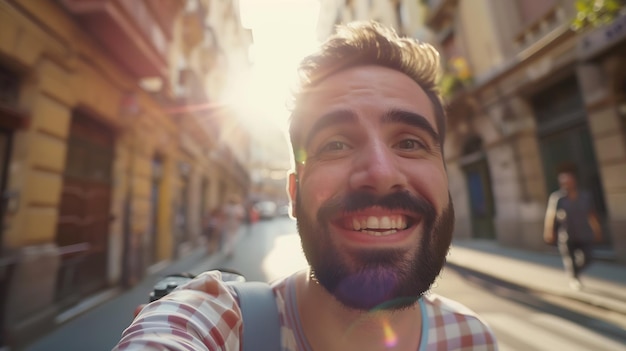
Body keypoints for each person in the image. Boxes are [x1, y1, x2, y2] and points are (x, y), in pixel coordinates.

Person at [114, 21, 497, 350]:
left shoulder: (472, 338)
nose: (380, 172)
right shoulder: (215, 322)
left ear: (446, 180)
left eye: (410, 143)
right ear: (294, 194)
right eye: (335, 144)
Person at [543, 164, 602, 290]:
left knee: (588, 258)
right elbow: (551, 216)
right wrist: (549, 232)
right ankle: (574, 278)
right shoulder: (558, 198)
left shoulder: (585, 196)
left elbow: (592, 214)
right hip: (567, 235)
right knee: (570, 260)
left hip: (584, 233)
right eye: (563, 182)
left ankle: (575, 272)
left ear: (574, 181)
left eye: (568, 181)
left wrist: (597, 230)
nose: (566, 184)